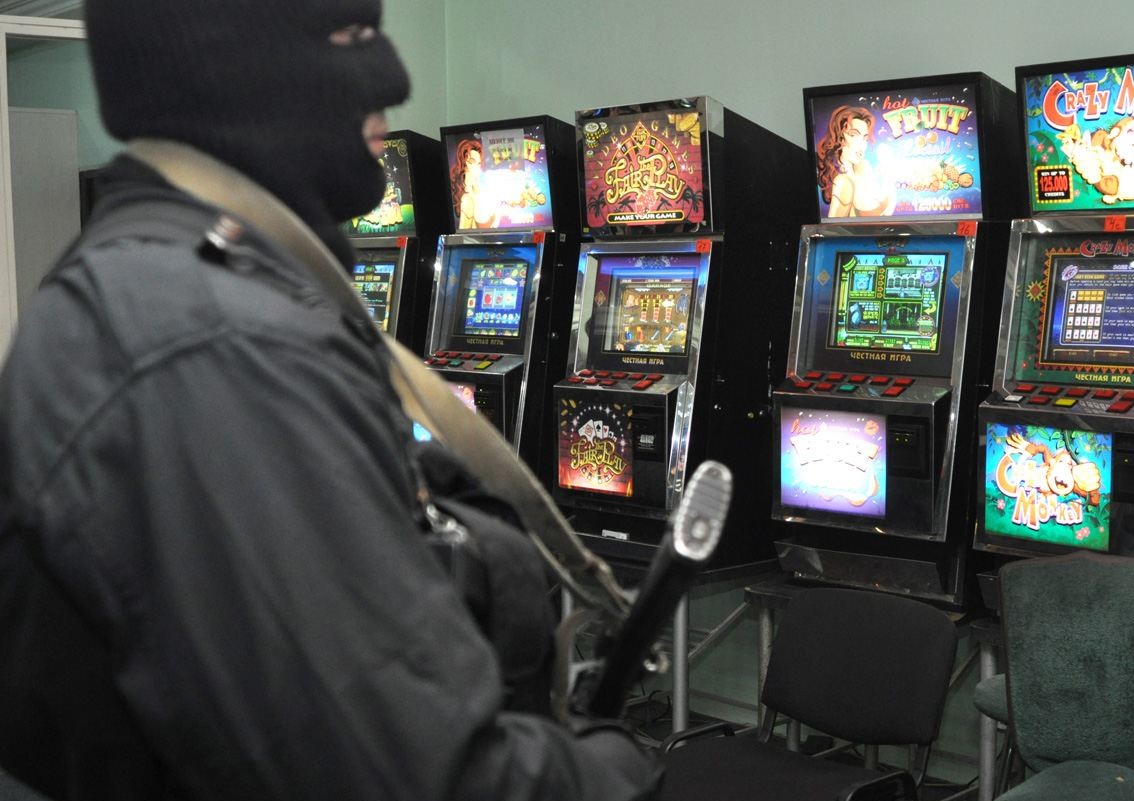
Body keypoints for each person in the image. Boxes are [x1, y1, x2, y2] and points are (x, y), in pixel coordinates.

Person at [0, 1, 659, 800]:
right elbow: (414, 773)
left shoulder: (160, 278)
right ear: (226, 67)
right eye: (350, 35)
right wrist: (613, 766)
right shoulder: (216, 340)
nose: (393, 79)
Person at [814, 105, 896, 218]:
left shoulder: (862, 167)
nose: (862, 145)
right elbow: (833, 228)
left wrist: (888, 173)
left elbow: (885, 209)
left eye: (865, 138)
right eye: (853, 135)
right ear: (839, 138)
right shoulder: (843, 182)